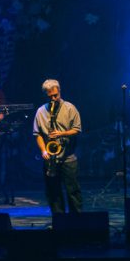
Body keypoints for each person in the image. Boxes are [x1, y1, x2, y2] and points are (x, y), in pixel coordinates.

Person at [33, 79, 83, 214]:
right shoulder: (40, 112)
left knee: (73, 191)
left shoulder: (70, 108)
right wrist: (44, 150)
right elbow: (37, 134)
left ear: (59, 91)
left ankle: (77, 222)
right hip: (50, 159)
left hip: (68, 157)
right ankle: (59, 222)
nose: (54, 98)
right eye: (50, 97)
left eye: (56, 95)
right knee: (53, 193)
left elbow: (77, 129)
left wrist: (62, 134)